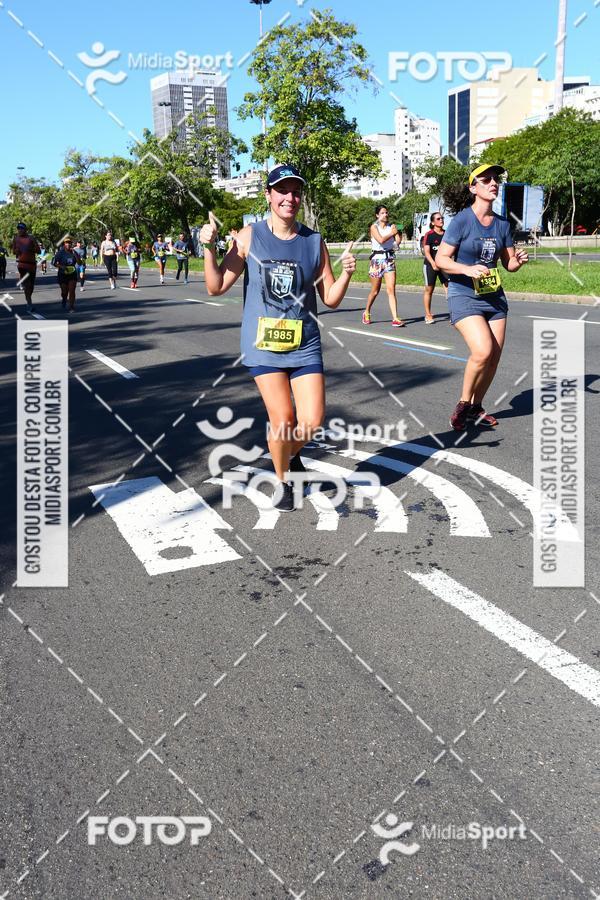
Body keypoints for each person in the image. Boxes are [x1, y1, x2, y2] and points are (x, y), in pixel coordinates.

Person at [200, 163, 356, 512]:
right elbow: (215, 286)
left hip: (305, 344)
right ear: (268, 195)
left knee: (312, 422)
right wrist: (208, 249)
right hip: (263, 345)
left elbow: (330, 298)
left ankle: (286, 453)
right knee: (283, 418)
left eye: (295, 191)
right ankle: (283, 478)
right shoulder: (249, 236)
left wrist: (346, 275)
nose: (290, 197)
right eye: (282, 190)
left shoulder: (314, 242)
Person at [436, 164, 529, 431]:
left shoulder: (502, 224)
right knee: (482, 350)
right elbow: (442, 259)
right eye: (486, 179)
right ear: (473, 188)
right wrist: (466, 269)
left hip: (494, 296)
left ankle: (477, 406)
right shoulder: (462, 221)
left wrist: (517, 262)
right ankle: (464, 404)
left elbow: (508, 264)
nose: (493, 183)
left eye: (495, 179)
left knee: (494, 356)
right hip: (463, 293)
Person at [361, 206, 404, 327]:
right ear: (377, 215)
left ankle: (395, 318)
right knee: (375, 291)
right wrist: (392, 233)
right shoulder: (374, 227)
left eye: (386, 212)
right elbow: (381, 240)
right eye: (382, 213)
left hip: (389, 259)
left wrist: (397, 233)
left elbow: (396, 243)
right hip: (376, 260)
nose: (385, 214)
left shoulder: (392, 227)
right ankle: (367, 311)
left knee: (391, 289)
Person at [422, 212, 449, 324]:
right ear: (433, 222)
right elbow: (427, 252)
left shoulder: (447, 234)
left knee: (449, 288)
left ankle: (454, 313)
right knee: (429, 290)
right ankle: (428, 314)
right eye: (438, 219)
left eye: (442, 218)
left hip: (444, 265)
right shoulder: (429, 234)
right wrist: (433, 263)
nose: (441, 220)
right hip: (430, 265)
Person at [11, 223, 40, 311]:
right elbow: (13, 251)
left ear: (25, 229)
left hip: (32, 264)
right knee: (27, 285)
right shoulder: (16, 239)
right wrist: (16, 251)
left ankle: (28, 298)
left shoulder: (31, 238)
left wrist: (31, 249)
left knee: (31, 286)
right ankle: (29, 303)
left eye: (22, 228)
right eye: (18, 228)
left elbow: (38, 251)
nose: (20, 230)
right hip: (22, 264)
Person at [52, 236, 79, 314]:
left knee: (72, 291)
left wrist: (75, 255)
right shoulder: (60, 253)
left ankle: (71, 307)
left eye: (69, 243)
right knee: (64, 292)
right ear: (64, 244)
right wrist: (61, 267)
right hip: (62, 274)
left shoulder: (74, 252)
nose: (68, 244)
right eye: (66, 243)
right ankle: (64, 299)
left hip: (72, 274)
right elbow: (53, 263)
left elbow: (79, 263)